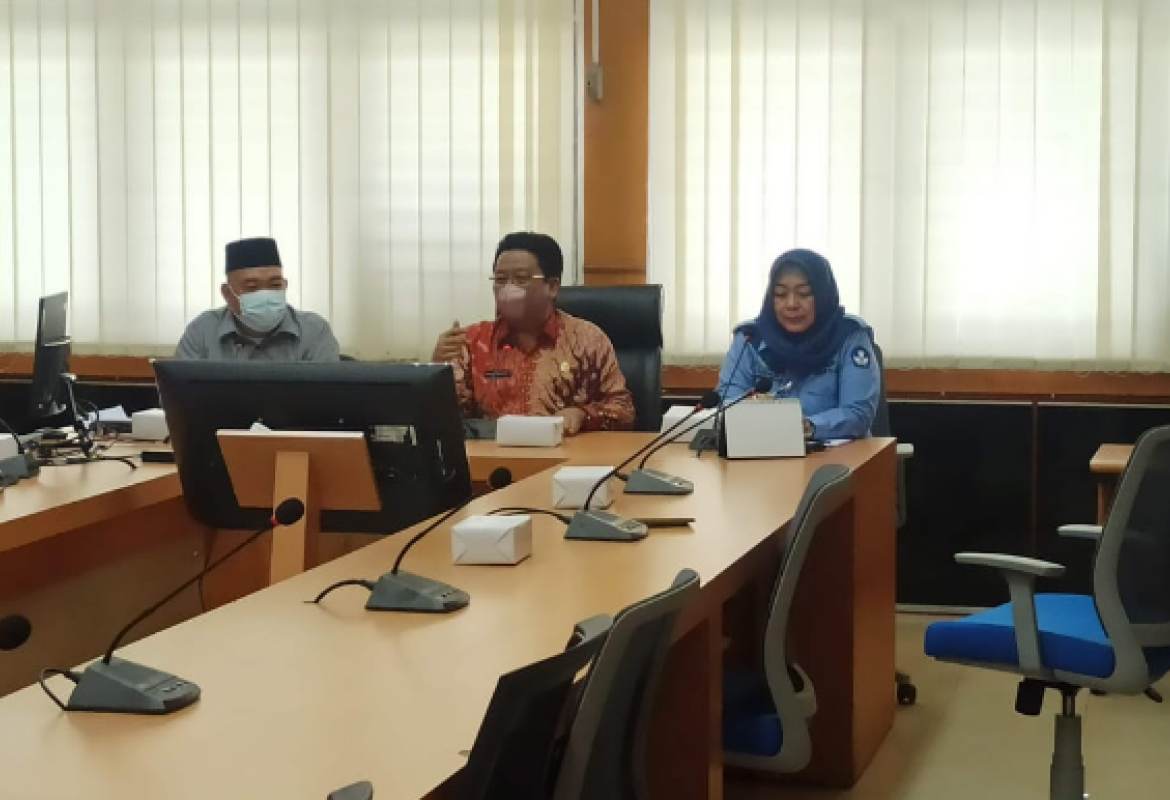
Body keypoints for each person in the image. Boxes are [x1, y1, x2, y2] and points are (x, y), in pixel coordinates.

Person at [431, 232, 635, 435]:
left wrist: (583, 415)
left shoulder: (586, 340)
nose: (508, 289)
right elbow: (448, 419)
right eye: (500, 279)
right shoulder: (472, 341)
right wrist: (437, 372)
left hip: (564, 452)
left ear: (552, 287)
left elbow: (624, 412)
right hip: (494, 452)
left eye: (520, 279)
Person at [719, 248, 880, 440]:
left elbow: (858, 413)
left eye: (804, 294)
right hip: (759, 448)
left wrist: (808, 427)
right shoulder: (750, 338)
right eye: (780, 294)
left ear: (822, 295)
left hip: (834, 453)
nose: (791, 304)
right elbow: (727, 404)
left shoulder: (848, 335)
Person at [175, 237, 340, 362]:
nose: (265, 294)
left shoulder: (314, 331)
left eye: (275, 284)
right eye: (252, 287)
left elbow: (327, 394)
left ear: (285, 286)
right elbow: (182, 392)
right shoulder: (202, 331)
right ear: (227, 293)